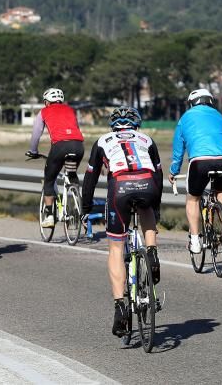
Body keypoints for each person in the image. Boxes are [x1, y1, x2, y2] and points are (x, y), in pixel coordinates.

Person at [81, 106, 162, 337]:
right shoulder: (147, 139)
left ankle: (119, 308)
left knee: (116, 248)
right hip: (147, 184)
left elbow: (91, 177)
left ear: (113, 125)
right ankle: (152, 252)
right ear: (137, 124)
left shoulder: (103, 141)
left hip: (119, 188)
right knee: (147, 207)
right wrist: (156, 205)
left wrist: (86, 208)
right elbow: (157, 174)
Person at [169, 89, 222, 254]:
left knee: (193, 198)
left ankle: (195, 240)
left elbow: (178, 150)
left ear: (191, 103)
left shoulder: (185, 118)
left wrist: (173, 171)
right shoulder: (220, 117)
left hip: (200, 160)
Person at [26, 87, 85, 228]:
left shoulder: (44, 111)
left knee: (49, 178)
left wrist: (33, 150)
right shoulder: (70, 110)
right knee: (72, 175)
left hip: (60, 147)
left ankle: (49, 216)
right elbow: (75, 128)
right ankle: (80, 212)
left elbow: (36, 133)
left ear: (47, 101)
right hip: (78, 146)